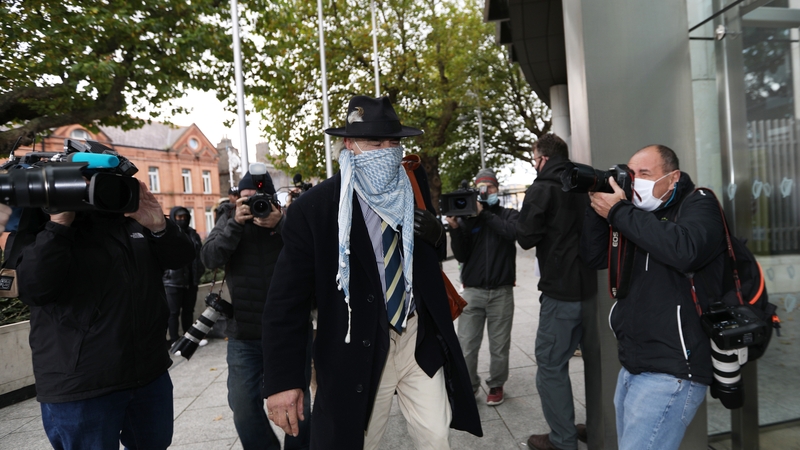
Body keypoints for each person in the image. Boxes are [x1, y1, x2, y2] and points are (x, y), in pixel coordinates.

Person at [262, 95, 482, 449]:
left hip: (415, 338)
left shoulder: (412, 184)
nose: (386, 150)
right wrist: (282, 381)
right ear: (349, 144)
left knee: (436, 437)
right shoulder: (314, 210)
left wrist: (436, 234)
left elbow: (426, 258)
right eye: (374, 142)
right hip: (356, 350)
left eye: (393, 142)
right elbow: (286, 302)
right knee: (360, 442)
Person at [15, 180, 195, 450]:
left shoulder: (132, 222)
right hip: (82, 386)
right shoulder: (42, 224)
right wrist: (58, 225)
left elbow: (182, 258)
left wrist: (159, 226)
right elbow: (32, 288)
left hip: (149, 375)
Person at [581, 144, 726, 450]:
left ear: (673, 178)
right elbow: (594, 257)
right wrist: (599, 210)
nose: (635, 181)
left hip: (673, 370)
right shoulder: (636, 217)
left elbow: (685, 251)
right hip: (634, 363)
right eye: (631, 174)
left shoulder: (698, 203)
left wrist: (620, 212)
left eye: (644, 173)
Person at [200, 169, 311, 450]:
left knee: (299, 405)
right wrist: (235, 225)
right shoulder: (228, 220)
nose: (253, 206)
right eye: (247, 199)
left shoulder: (290, 218)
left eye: (259, 199)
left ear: (273, 198)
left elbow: (314, 254)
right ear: (237, 199)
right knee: (242, 404)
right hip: (244, 333)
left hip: (290, 331)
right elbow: (209, 258)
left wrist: (282, 222)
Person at [516, 134, 592, 450]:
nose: (535, 165)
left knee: (550, 366)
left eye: (534, 159)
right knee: (598, 360)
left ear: (543, 159)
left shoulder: (542, 188)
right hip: (597, 290)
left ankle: (563, 440)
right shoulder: (587, 179)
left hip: (562, 293)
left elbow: (525, 237)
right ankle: (598, 425)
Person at [445, 168, 518, 406]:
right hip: (473, 292)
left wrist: (484, 214)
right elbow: (461, 255)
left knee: (499, 346)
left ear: (498, 189)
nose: (487, 191)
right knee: (466, 346)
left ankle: (496, 385)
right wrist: (456, 229)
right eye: (482, 187)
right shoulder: (467, 219)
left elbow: (511, 233)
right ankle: (470, 386)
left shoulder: (508, 215)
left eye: (491, 187)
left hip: (501, 292)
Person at [163, 206, 205, 348]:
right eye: (179, 218)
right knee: (173, 312)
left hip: (191, 280)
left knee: (188, 311)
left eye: (184, 218)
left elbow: (199, 255)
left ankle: (189, 338)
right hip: (173, 281)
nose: (182, 221)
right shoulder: (168, 234)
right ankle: (175, 340)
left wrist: (199, 272)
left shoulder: (193, 234)